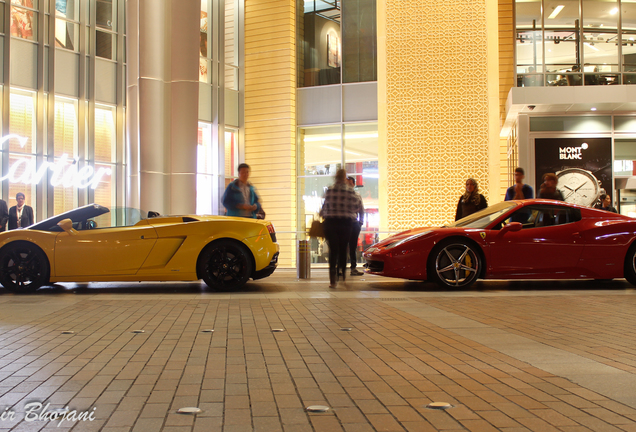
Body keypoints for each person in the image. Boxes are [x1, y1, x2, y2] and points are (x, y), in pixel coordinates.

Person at [320, 169, 359, 288]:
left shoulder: (330, 190)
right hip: (346, 224)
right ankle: (343, 278)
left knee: (333, 251)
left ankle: (332, 280)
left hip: (331, 223)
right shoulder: (350, 191)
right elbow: (356, 206)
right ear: (344, 178)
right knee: (343, 249)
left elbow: (323, 207)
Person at [346, 176, 365, 276]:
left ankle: (353, 267)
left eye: (349, 183)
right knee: (343, 246)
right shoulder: (342, 196)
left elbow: (362, 210)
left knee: (353, 247)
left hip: (353, 223)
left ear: (353, 184)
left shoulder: (357, 196)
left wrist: (360, 223)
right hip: (344, 223)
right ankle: (341, 268)